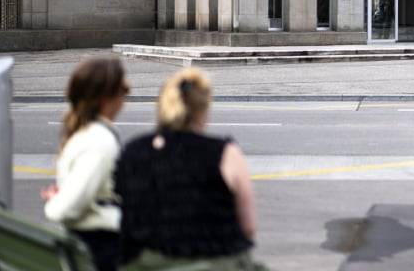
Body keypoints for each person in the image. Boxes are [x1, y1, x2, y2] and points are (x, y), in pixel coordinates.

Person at [115, 69, 264, 270]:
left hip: (146, 262)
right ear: (203, 109)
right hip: (216, 261)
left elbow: (121, 214)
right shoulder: (226, 153)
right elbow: (249, 227)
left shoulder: (133, 151)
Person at [43, 58, 129, 271]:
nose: (125, 96)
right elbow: (65, 209)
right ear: (105, 100)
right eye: (122, 90)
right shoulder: (100, 142)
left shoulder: (82, 134)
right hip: (102, 251)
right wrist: (59, 202)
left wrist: (64, 195)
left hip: (86, 248)